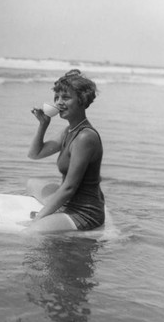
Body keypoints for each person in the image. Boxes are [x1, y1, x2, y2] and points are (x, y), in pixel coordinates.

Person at [26, 69, 105, 233]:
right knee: (32, 184)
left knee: (33, 232)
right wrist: (43, 124)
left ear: (82, 100)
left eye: (66, 97)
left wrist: (40, 217)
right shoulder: (68, 131)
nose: (59, 102)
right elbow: (35, 154)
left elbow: (69, 188)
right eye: (57, 98)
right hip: (70, 202)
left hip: (84, 212)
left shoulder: (85, 137)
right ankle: (56, 212)